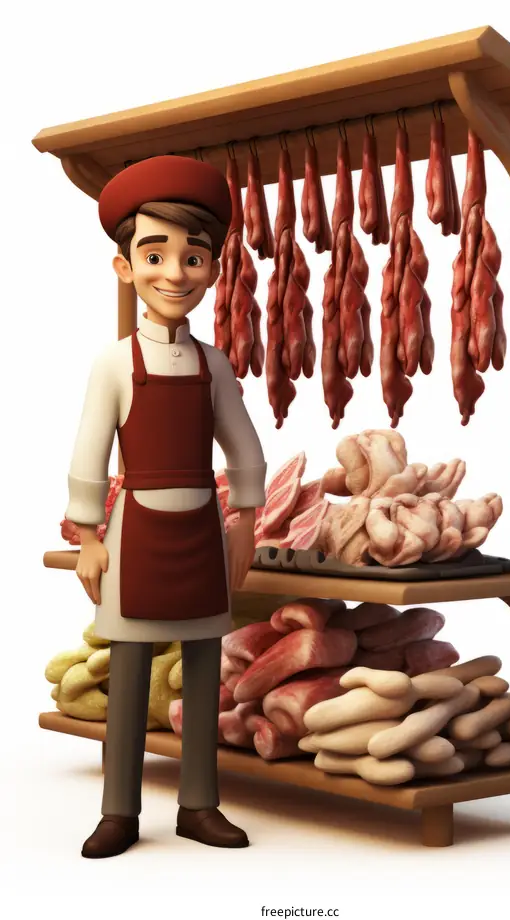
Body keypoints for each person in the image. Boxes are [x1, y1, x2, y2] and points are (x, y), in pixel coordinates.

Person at [65, 155, 267, 858]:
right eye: (155, 255)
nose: (174, 273)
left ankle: (199, 804)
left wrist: (245, 519)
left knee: (206, 672)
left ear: (212, 268)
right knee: (128, 672)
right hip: (137, 530)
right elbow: (90, 454)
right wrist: (90, 536)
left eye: (193, 256)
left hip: (201, 533)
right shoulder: (114, 363)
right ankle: (118, 810)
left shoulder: (214, 365)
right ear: (125, 268)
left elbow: (244, 447)